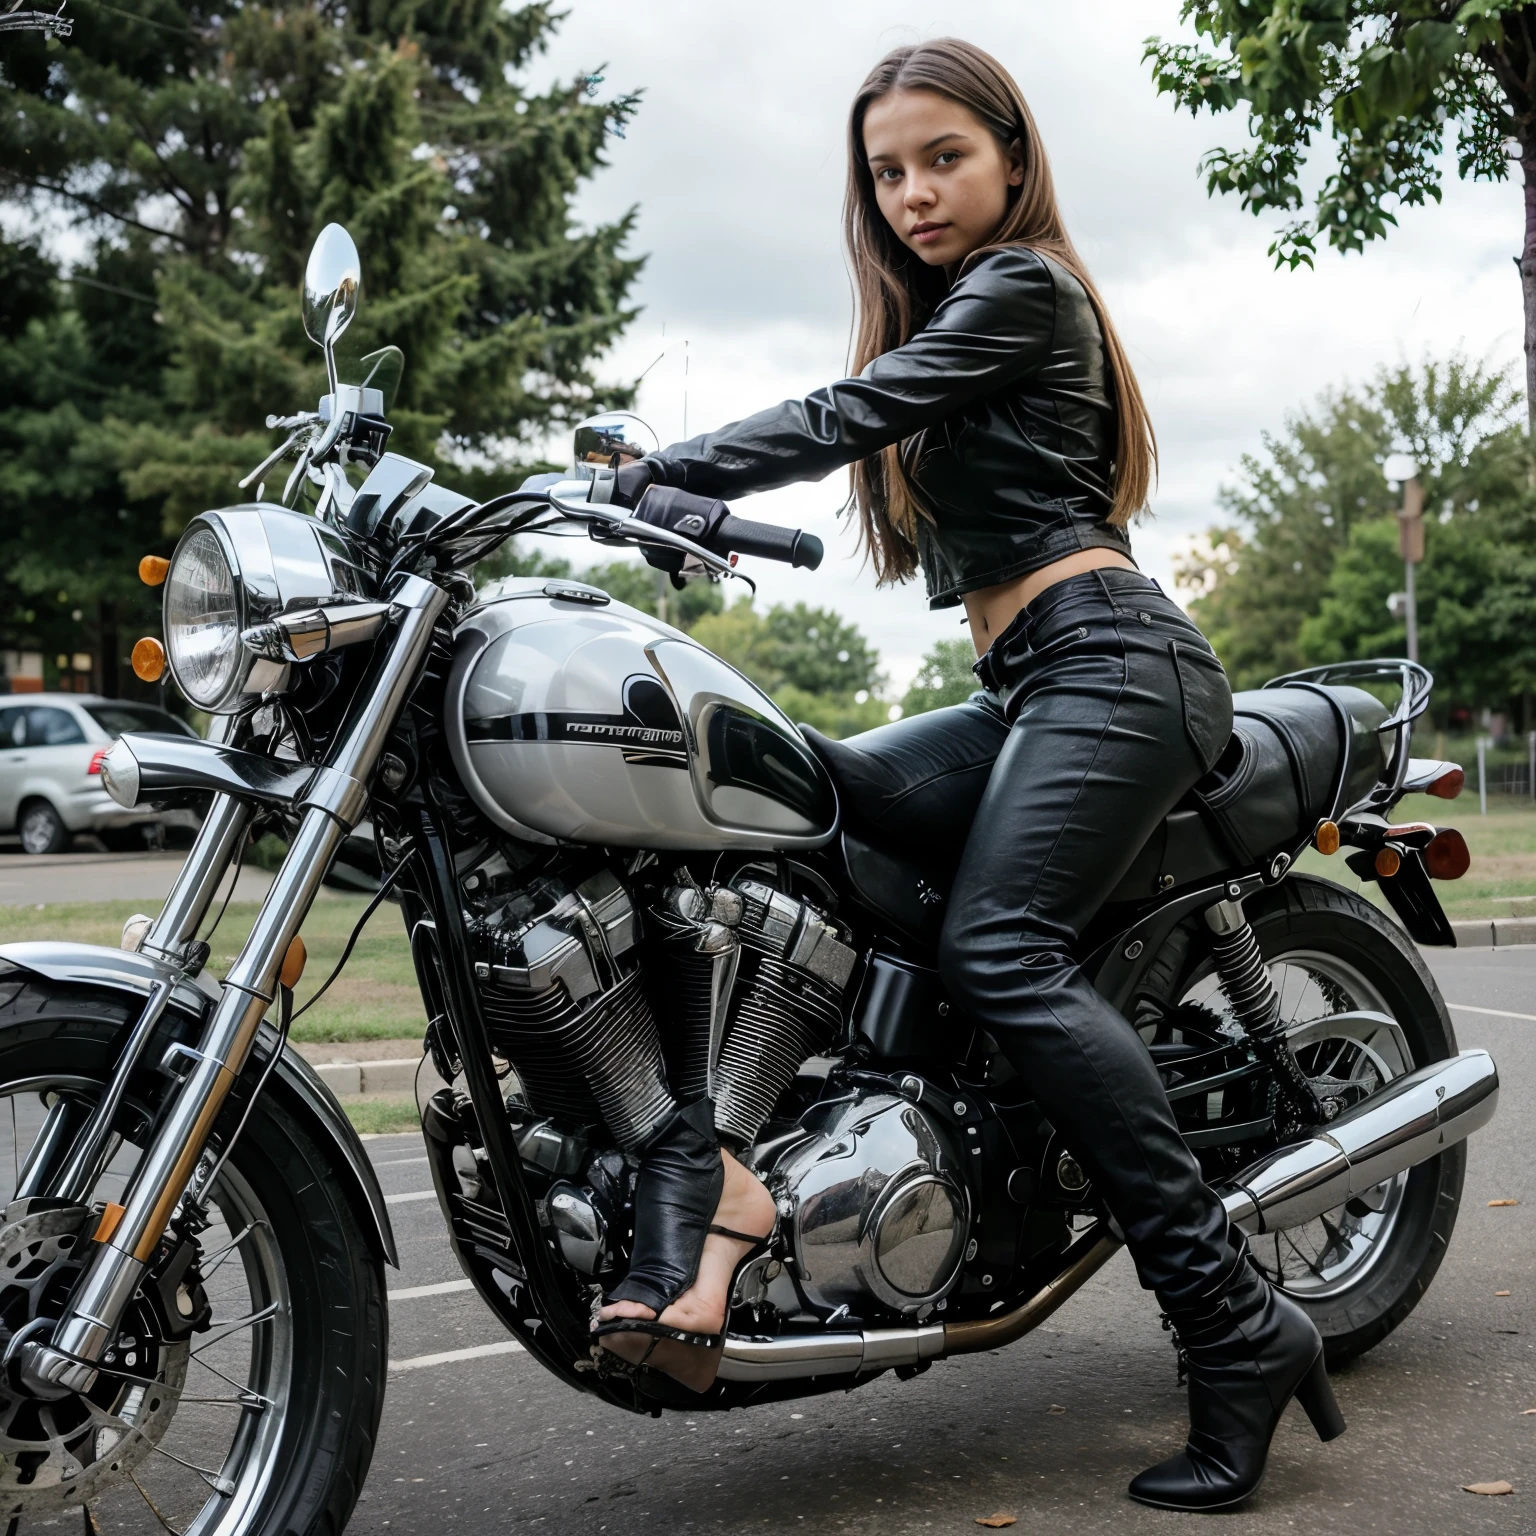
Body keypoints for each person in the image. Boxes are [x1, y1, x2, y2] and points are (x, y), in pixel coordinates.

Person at [592, 37, 1343, 1511]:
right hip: (1029, 682)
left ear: (1011, 156)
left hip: (1120, 665)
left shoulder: (1022, 289)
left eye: (944, 157)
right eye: (889, 171)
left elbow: (841, 416)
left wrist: (673, 465)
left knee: (1002, 944)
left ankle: (1235, 1325)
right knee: (793, 793)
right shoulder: (951, 311)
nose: (917, 191)